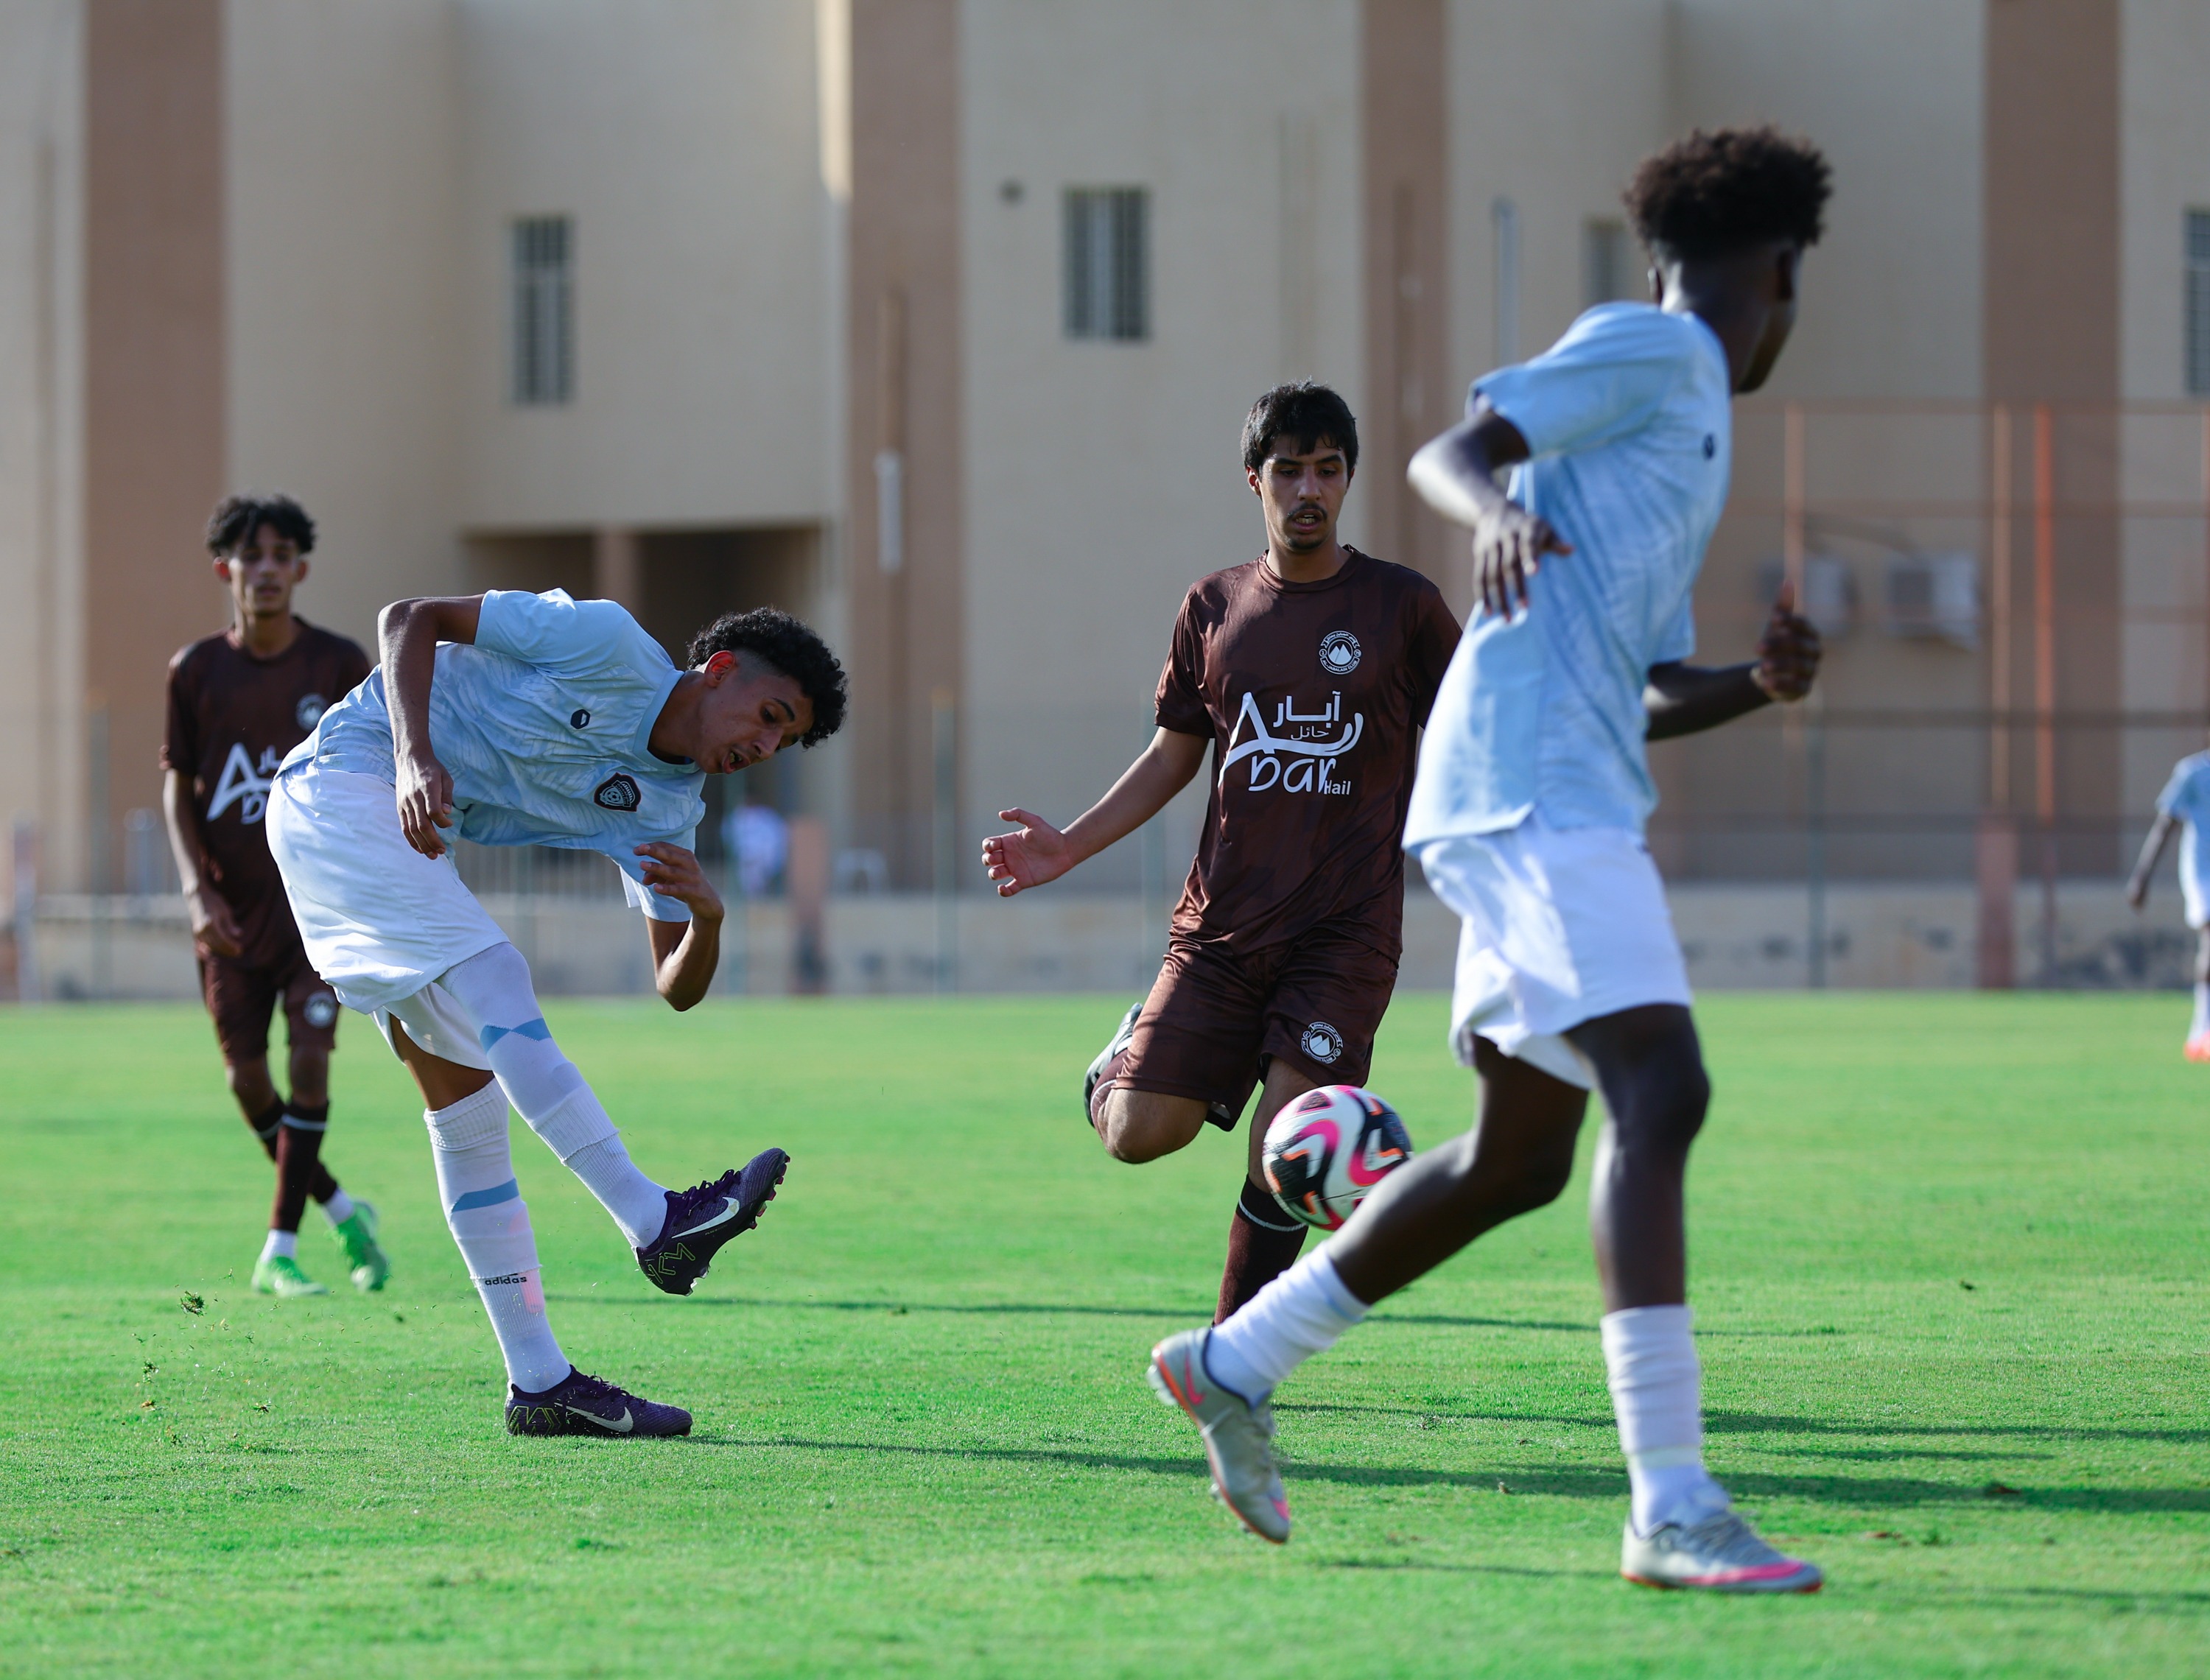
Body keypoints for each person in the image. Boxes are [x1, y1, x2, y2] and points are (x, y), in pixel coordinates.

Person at [1146, 127, 1833, 1594]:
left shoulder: (1677, 429)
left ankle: (1232, 1361)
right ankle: (1672, 1502)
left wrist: (1752, 687)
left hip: (1550, 780)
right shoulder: (1662, 357)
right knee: (1666, 1087)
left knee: (1523, 1157)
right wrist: (1499, 503)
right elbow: (1456, 445)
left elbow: (1645, 676)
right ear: (1776, 273)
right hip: (1533, 792)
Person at [266, 589, 846, 1436]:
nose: (762, 745)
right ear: (717, 671)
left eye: (781, 739)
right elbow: (406, 618)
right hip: (343, 784)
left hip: (386, 837)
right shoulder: (605, 640)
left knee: (466, 1110)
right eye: (767, 714)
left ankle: (540, 1384)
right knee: (498, 971)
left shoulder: (670, 809)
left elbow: (674, 985)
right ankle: (654, 1220)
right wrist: (413, 756)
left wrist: (711, 922)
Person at [983, 384, 1461, 1321]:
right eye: (1289, 470)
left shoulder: (1403, 607)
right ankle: (1121, 1060)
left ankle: (1236, 1349)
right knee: (1135, 1134)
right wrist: (1068, 848)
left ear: (1349, 478)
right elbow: (1172, 755)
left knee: (1288, 1144)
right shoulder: (1214, 606)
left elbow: (1471, 731)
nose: (1309, 488)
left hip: (1346, 931)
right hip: (1221, 929)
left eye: (1327, 468)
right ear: (1256, 481)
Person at [161, 493, 390, 1298]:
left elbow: (376, 767)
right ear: (226, 569)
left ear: (300, 569)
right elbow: (179, 789)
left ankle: (279, 1250)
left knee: (311, 1062)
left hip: (314, 912)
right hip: (227, 918)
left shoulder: (336, 665)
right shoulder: (195, 671)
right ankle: (340, 1207)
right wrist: (195, 891)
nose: (264, 570)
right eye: (248, 556)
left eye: (279, 556)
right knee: (247, 1084)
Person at [2125, 733, 2210, 1060]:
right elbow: (2165, 824)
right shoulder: (2192, 773)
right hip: (2202, 871)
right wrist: (2141, 878)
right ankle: (2200, 1031)